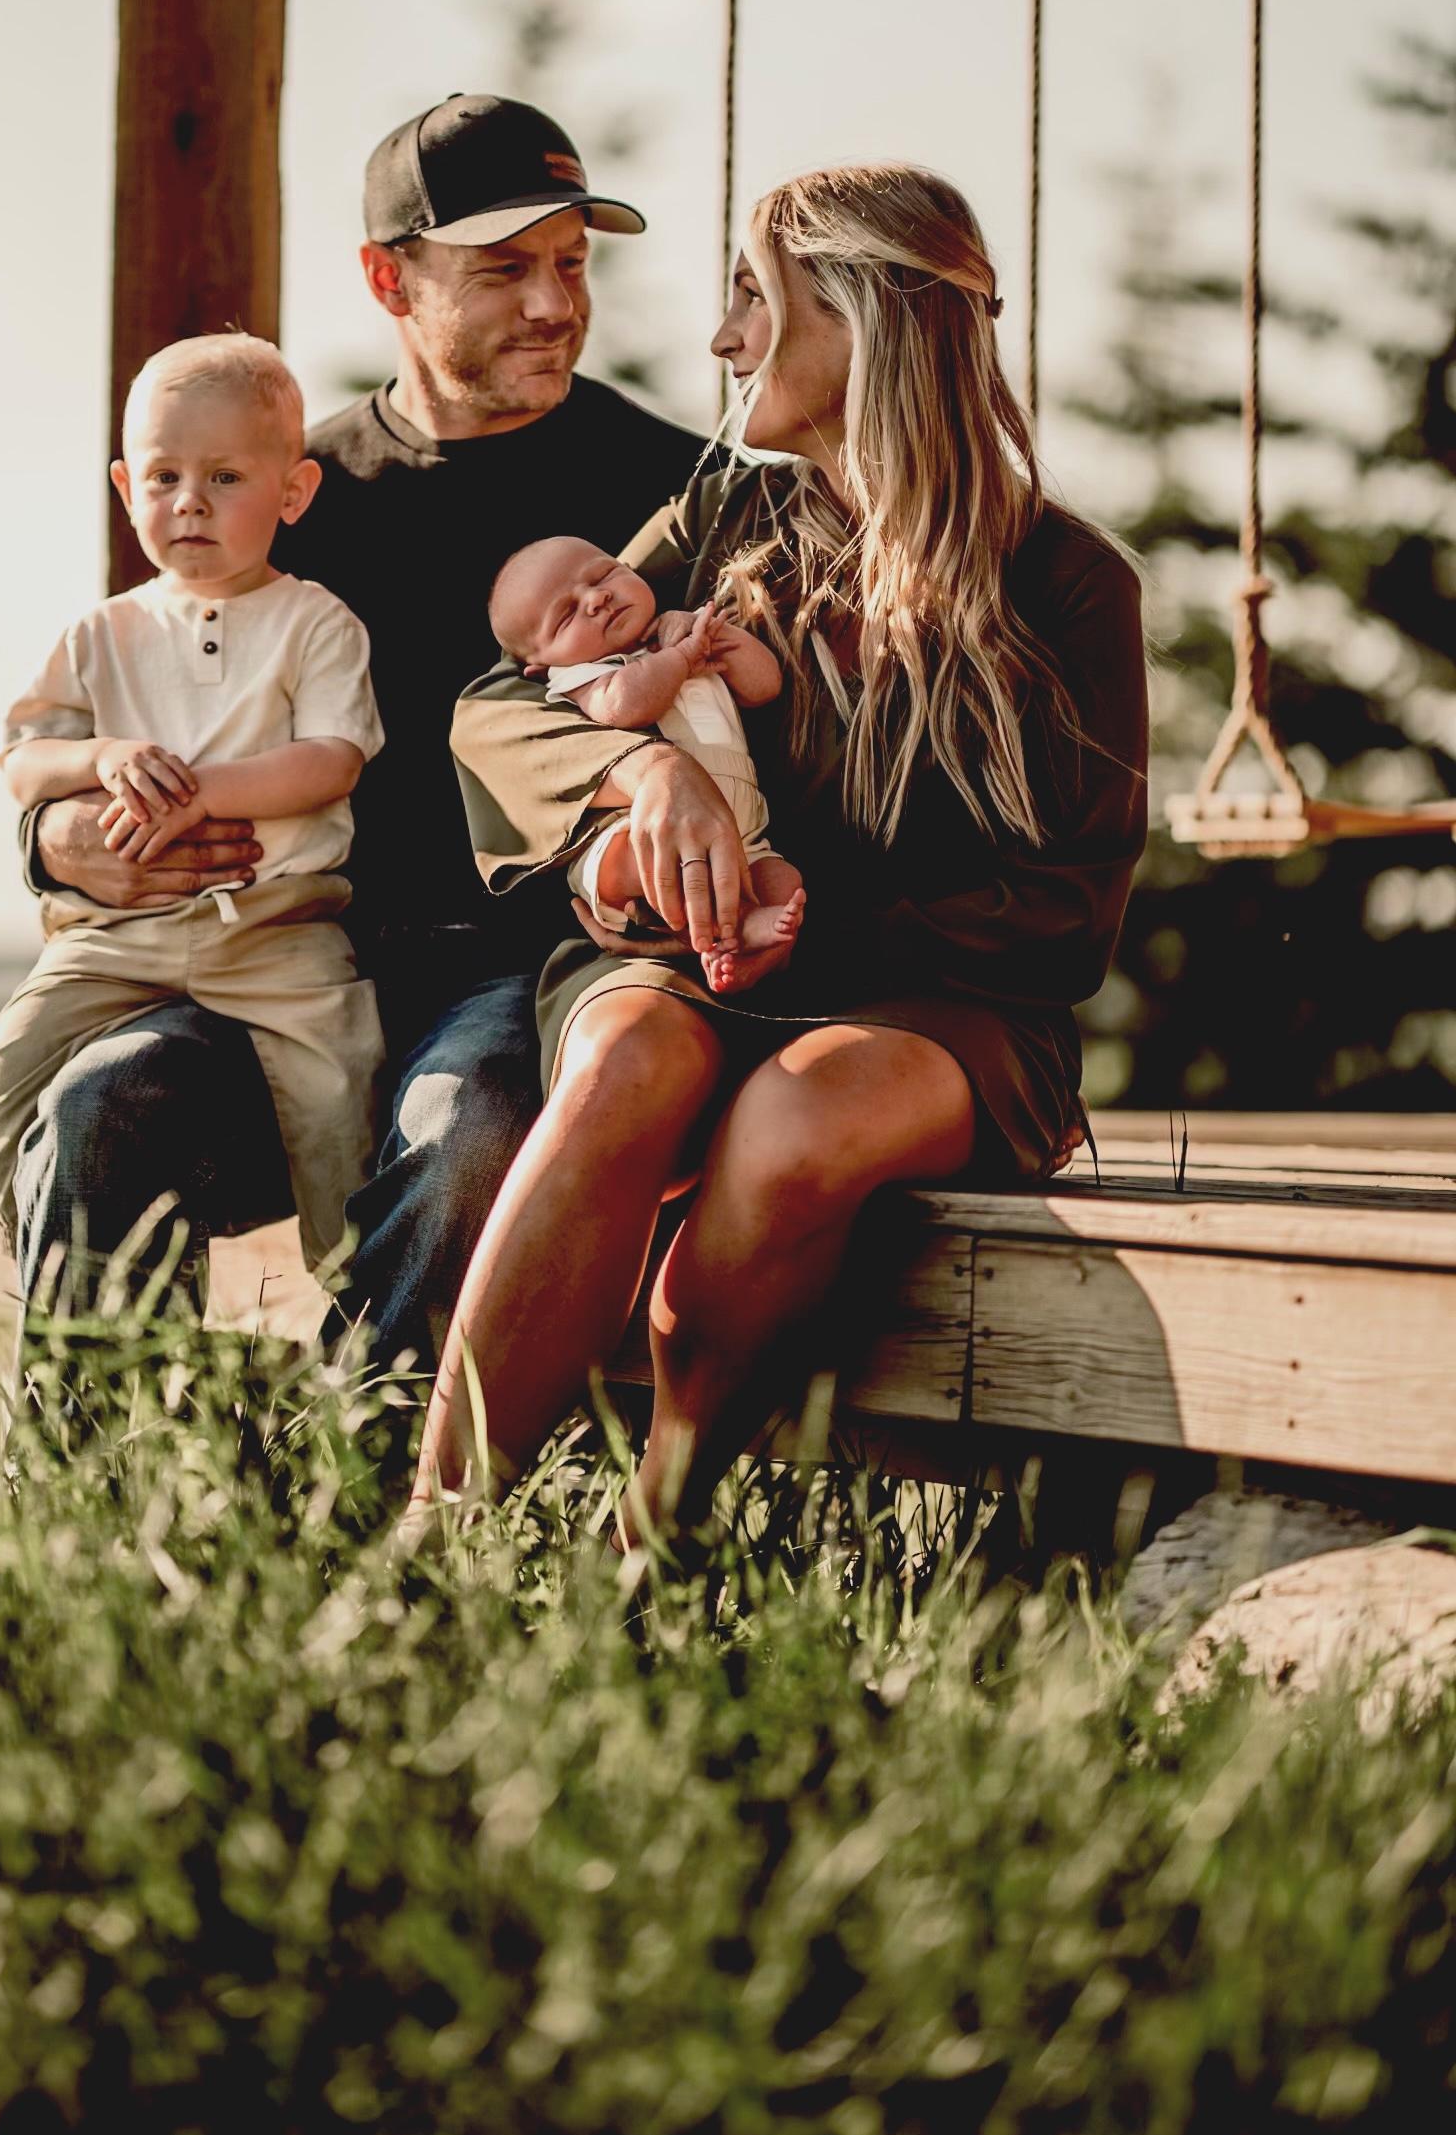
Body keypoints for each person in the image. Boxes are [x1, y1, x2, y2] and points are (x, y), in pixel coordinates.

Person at [417, 162, 1148, 1537]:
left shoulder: (1067, 584)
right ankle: (440, 1538)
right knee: (628, 1055)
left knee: (799, 1116)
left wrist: (813, 915)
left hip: (951, 1010)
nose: (724, 335)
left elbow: (1064, 915)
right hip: (695, 963)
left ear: (864, 320)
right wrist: (645, 777)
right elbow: (505, 707)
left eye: (756, 294)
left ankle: (663, 1535)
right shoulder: (725, 523)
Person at [12, 95, 702, 1359]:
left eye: (569, 263)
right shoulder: (283, 492)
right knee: (98, 1103)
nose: (552, 304)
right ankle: (96, 1517)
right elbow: (113, 717)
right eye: (501, 270)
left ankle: (354, 1506)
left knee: (464, 1135)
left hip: (529, 971)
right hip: (279, 949)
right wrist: (61, 842)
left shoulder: (672, 492)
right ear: (388, 276)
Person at [0, 335, 382, 1287]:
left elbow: (333, 758)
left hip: (277, 929)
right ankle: (23, 1241)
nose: (188, 501)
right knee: (12, 1065)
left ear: (293, 493)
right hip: (113, 933)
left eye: (225, 476)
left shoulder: (315, 621)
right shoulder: (101, 632)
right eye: (162, 476)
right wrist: (103, 757)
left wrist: (203, 791)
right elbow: (21, 758)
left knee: (340, 1086)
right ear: (126, 488)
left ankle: (355, 1293)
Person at [486, 535, 807, 991]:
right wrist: (681, 657)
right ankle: (728, 929)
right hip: (641, 836)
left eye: (603, 575)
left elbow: (764, 686)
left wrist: (719, 638)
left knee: (782, 879)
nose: (596, 598)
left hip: (743, 837)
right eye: (567, 615)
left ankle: (745, 955)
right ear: (540, 667)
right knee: (655, 866)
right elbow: (626, 706)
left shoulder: (685, 631)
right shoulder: (584, 678)